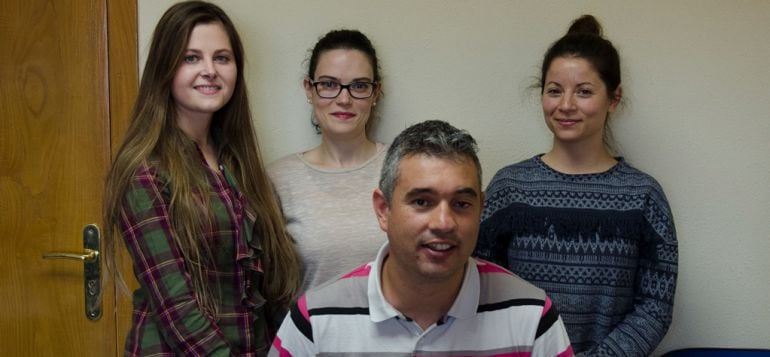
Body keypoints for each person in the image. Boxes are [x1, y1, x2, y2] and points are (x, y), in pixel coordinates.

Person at [269, 120, 573, 356]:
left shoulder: (531, 316)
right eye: (422, 202)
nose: (444, 223)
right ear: (383, 209)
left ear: (480, 208)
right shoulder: (315, 319)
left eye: (462, 204)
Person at [102, 1, 301, 355]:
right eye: (191, 58)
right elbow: (176, 309)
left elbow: (266, 288)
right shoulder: (144, 168)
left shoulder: (239, 164)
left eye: (222, 58)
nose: (210, 70)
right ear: (165, 67)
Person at [474, 15, 678, 356]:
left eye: (584, 92)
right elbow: (479, 286)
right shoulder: (509, 187)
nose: (566, 105)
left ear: (614, 98)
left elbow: (654, 308)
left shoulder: (644, 196)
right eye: (555, 90)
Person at [268, 29, 387, 292]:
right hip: (310, 332)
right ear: (309, 89)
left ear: (375, 92)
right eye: (329, 84)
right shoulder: (279, 179)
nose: (344, 99)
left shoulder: (403, 166)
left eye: (359, 86)